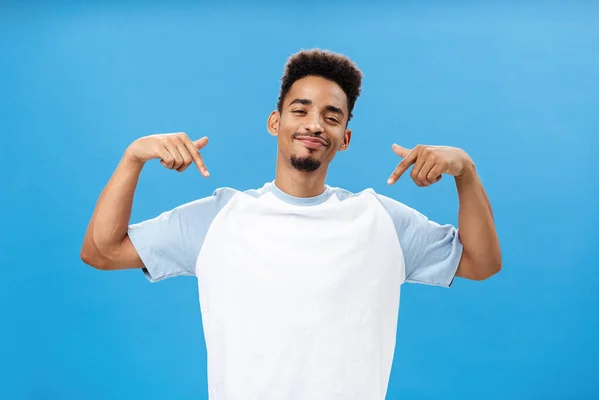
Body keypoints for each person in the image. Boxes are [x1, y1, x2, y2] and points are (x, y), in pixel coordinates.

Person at [81, 48, 501, 400]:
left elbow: (481, 263)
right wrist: (133, 157)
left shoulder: (382, 221)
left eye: (332, 116)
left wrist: (466, 171)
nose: (314, 124)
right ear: (275, 122)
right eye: (300, 110)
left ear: (345, 138)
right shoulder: (220, 218)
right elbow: (102, 251)